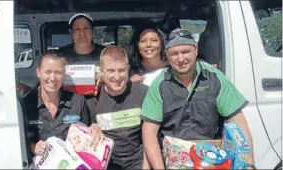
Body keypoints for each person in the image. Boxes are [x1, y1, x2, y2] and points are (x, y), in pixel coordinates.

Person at [141, 28, 256, 169]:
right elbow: (149, 134)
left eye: (185, 52)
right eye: (174, 54)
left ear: (195, 49)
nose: (181, 59)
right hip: (174, 161)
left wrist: (249, 164)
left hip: (212, 159)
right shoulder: (159, 84)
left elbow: (239, 125)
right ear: (166, 55)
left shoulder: (216, 79)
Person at [23, 50, 103, 158]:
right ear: (38, 72)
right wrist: (32, 146)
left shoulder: (77, 101)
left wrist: (94, 129)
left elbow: (86, 134)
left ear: (64, 74)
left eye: (58, 73)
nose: (53, 78)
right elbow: (15, 139)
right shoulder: (25, 105)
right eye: (48, 72)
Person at [86, 45, 150, 169]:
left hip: (139, 161)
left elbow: (152, 137)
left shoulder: (143, 93)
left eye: (121, 70)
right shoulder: (92, 97)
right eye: (111, 71)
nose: (117, 77)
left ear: (128, 69)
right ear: (102, 72)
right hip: (106, 162)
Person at [129, 21, 168, 86]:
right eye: (143, 41)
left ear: (161, 43)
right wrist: (129, 83)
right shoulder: (130, 70)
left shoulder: (173, 67)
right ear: (137, 45)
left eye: (154, 40)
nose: (148, 45)